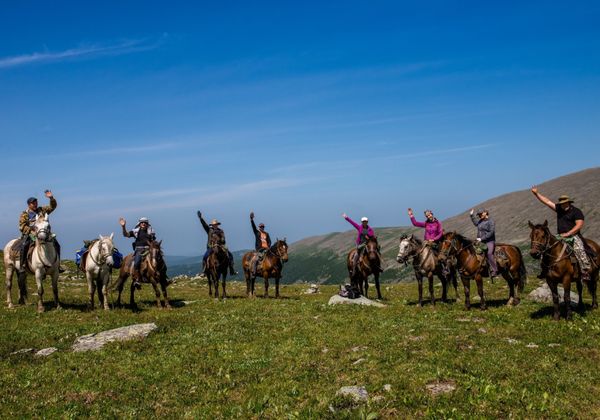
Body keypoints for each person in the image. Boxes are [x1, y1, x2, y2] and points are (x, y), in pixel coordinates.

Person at [531, 186, 592, 281]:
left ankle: (585, 271)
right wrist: (536, 194)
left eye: (564, 203)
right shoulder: (559, 209)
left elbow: (579, 225)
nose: (562, 205)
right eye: (561, 203)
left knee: (579, 249)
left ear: (568, 202)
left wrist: (568, 233)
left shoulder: (576, 212)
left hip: (573, 236)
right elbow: (547, 202)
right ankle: (544, 270)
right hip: (560, 236)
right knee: (545, 248)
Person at [18, 190, 65, 275]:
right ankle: (23, 265)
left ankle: (58, 265)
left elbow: (52, 207)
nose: (35, 204)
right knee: (24, 245)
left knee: (57, 244)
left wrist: (51, 198)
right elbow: (22, 226)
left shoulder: (42, 210)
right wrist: (31, 230)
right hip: (31, 234)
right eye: (33, 203)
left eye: (36, 202)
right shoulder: (24, 214)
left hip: (44, 233)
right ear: (29, 205)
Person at [197, 211, 237, 275]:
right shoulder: (209, 230)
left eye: (216, 224)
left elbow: (223, 238)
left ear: (217, 225)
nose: (215, 225)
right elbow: (204, 225)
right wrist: (201, 218)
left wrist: (222, 239)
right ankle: (204, 270)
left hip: (220, 246)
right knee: (205, 256)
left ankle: (231, 269)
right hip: (211, 246)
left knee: (230, 255)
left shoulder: (221, 231)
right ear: (212, 225)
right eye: (214, 224)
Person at [120, 216, 156, 286]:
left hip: (149, 250)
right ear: (139, 224)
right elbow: (126, 234)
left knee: (158, 259)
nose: (143, 224)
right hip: (139, 250)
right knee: (137, 262)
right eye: (142, 222)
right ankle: (137, 279)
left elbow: (153, 241)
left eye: (145, 223)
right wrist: (123, 227)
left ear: (147, 224)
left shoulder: (151, 232)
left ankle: (162, 277)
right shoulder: (135, 231)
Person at [470, 208, 498, 279]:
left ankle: (494, 270)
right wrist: (472, 215)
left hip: (489, 241)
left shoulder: (490, 221)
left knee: (489, 254)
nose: (480, 215)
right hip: (480, 242)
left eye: (481, 214)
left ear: (485, 212)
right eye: (479, 215)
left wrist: (481, 238)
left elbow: (491, 232)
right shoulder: (480, 221)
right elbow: (475, 223)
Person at [250, 211, 271, 276]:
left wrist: (268, 246)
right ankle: (254, 271)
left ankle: (276, 272)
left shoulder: (266, 234)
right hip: (260, 249)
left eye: (263, 227)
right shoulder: (257, 232)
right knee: (256, 259)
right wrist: (251, 220)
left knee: (273, 258)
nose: (262, 228)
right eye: (261, 227)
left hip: (266, 249)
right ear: (259, 227)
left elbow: (269, 241)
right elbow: (253, 227)